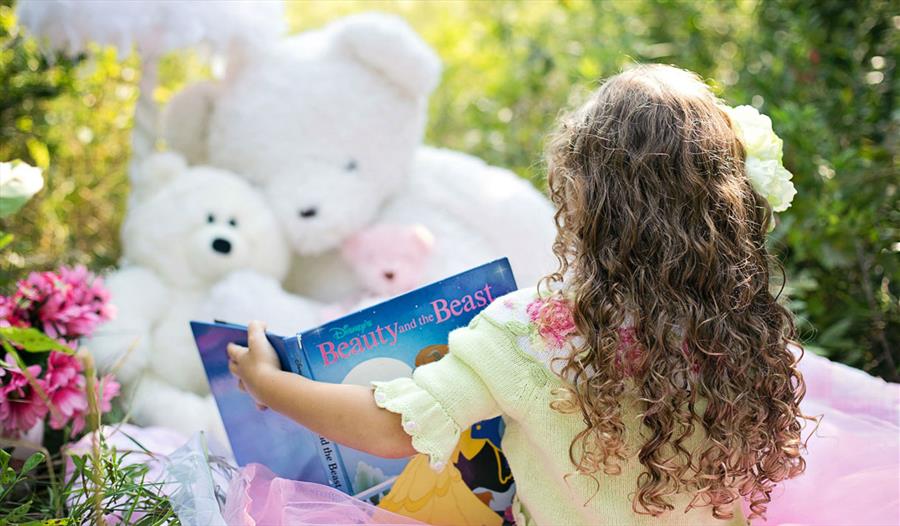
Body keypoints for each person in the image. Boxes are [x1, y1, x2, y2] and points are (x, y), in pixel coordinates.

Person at [225, 64, 898, 525]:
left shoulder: (530, 330)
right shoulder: (743, 324)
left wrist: (270, 383)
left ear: (580, 198)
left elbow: (393, 425)